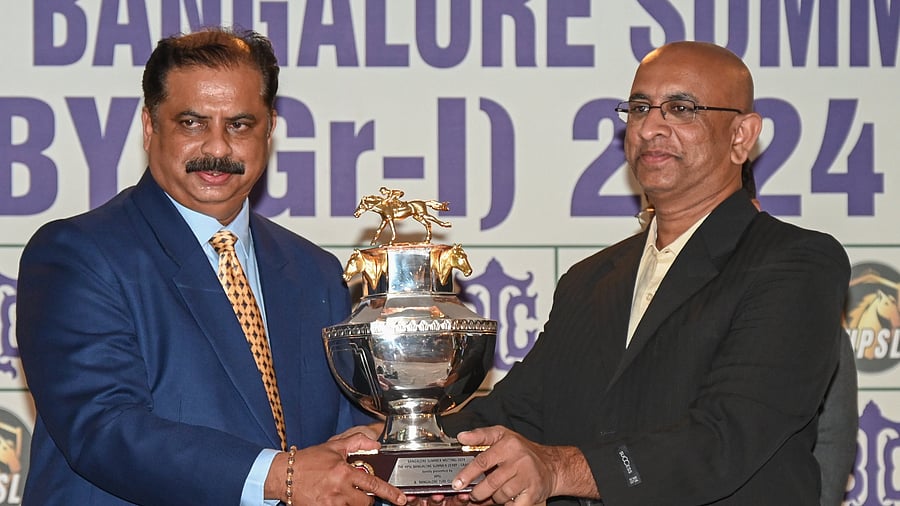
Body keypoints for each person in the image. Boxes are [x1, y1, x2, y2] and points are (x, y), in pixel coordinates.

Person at [438, 41, 851, 505]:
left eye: (680, 108)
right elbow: (517, 411)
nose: (651, 126)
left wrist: (559, 470)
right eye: (639, 108)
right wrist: (384, 447)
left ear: (741, 136)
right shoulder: (589, 279)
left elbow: (727, 435)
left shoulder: (795, 262)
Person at [17, 27, 406, 506]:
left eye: (240, 124)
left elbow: (339, 444)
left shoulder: (314, 271)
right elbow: (104, 427)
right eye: (192, 123)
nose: (218, 148)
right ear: (149, 125)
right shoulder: (77, 253)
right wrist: (279, 475)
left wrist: (404, 470)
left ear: (270, 128)